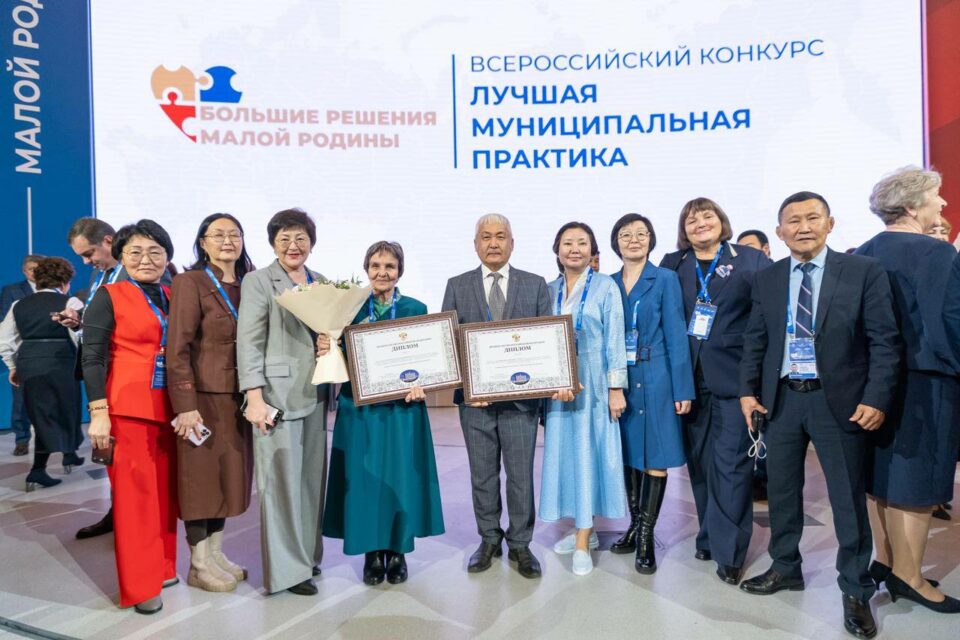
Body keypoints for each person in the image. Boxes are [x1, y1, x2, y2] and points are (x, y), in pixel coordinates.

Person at [738, 192, 900, 639]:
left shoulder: (863, 271)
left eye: (813, 218)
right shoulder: (769, 278)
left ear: (830, 223)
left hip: (840, 401)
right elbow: (756, 339)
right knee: (781, 492)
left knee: (846, 498)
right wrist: (747, 392)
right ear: (779, 232)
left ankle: (855, 588)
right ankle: (785, 566)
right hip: (783, 400)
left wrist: (877, 398)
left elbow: (885, 341)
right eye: (793, 220)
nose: (803, 227)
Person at [855, 167, 960, 613]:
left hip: (872, 386)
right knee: (919, 481)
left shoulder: (863, 252)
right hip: (926, 382)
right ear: (914, 206)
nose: (943, 204)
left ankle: (887, 562)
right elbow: (949, 322)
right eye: (937, 196)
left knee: (881, 479)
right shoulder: (938, 253)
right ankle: (910, 577)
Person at [660, 197, 771, 585]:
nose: (700, 224)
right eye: (691, 220)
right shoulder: (673, 264)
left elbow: (765, 321)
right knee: (701, 465)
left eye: (707, 216)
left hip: (736, 382)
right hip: (689, 383)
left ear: (722, 221)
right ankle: (709, 534)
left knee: (731, 466)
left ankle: (730, 552)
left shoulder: (750, 260)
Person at [323, 241, 444, 586]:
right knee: (363, 482)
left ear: (399, 271)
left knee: (400, 479)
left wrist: (423, 383)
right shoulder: (349, 309)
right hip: (359, 409)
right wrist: (327, 346)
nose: (382, 272)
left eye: (390, 266)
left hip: (402, 410)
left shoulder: (415, 308)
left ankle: (398, 550)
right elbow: (337, 356)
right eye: (375, 266)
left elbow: (429, 359)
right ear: (367, 269)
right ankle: (372, 553)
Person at [441, 213, 552, 579]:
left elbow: (546, 343)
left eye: (500, 236)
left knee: (520, 475)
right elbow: (448, 344)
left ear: (512, 243)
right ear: (475, 244)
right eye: (485, 237)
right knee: (483, 475)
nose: (493, 243)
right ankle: (489, 538)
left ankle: (520, 543)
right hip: (475, 404)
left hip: (520, 403)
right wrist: (468, 386)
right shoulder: (457, 285)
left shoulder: (535, 285)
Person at [82, 220, 180, 614]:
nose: (146, 259)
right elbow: (92, 357)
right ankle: (141, 586)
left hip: (173, 408)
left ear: (167, 257)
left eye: (156, 252)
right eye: (135, 252)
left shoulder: (173, 295)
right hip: (128, 410)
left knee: (166, 495)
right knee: (135, 501)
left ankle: (164, 567)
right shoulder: (109, 295)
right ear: (120, 255)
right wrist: (98, 413)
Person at [237, 208, 329, 596]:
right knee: (280, 486)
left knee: (310, 482)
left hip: (316, 393)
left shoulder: (321, 281)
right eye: (285, 239)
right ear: (273, 244)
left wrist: (329, 343)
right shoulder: (259, 281)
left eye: (301, 238)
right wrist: (253, 396)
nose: (294, 245)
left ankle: (307, 555)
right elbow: (249, 340)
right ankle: (287, 572)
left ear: (312, 243)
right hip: (276, 396)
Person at [167, 213, 255, 593]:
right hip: (202, 400)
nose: (227, 241)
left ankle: (216, 553)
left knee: (228, 481)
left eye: (234, 234)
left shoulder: (251, 283)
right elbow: (177, 348)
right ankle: (199, 564)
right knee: (200, 483)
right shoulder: (190, 282)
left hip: (242, 397)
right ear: (202, 242)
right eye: (217, 235)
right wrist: (185, 404)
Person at [540, 221, 627, 576]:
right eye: (567, 243)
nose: (574, 249)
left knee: (590, 455)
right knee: (567, 458)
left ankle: (583, 540)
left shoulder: (606, 286)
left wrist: (616, 388)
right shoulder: (547, 290)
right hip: (558, 388)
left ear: (592, 250)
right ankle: (581, 527)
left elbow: (615, 338)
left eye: (582, 242)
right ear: (557, 250)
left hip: (593, 383)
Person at [609, 214, 695, 573]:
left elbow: (676, 333)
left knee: (655, 456)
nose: (634, 240)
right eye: (626, 234)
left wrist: (682, 387)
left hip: (657, 377)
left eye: (641, 234)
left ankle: (646, 536)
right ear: (616, 243)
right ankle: (633, 526)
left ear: (651, 239)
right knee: (630, 455)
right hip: (620, 378)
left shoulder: (665, 279)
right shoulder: (607, 283)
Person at [0, 258, 84, 489]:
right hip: (61, 363)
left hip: (29, 364)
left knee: (41, 416)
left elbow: (4, 340)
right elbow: (79, 336)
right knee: (67, 410)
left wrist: (13, 367)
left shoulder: (19, 304)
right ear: (64, 281)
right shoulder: (71, 302)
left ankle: (63, 457)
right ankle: (42, 468)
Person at [1, 254, 43, 456]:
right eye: (31, 269)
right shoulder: (12, 291)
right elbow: (3, 319)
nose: (35, 272)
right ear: (24, 271)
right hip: (22, 352)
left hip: (49, 353)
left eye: (39, 268)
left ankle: (53, 440)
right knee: (20, 401)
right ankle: (22, 440)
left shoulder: (55, 288)